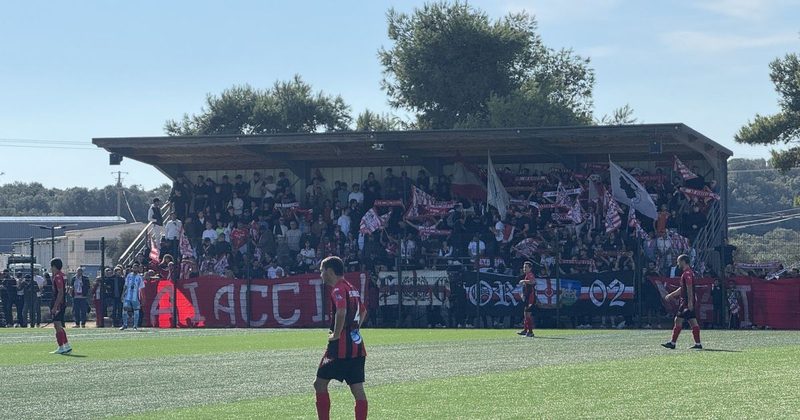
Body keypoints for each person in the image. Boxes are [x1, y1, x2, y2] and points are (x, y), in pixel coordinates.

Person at [314, 256, 368, 420]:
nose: (321, 275)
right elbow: (363, 311)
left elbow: (342, 311)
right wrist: (354, 329)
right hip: (357, 346)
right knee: (358, 390)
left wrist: (336, 334)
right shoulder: (352, 288)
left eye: (322, 271)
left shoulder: (338, 289)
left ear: (330, 271)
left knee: (319, 384)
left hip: (339, 348)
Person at [661, 254, 703, 350]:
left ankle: (673, 343)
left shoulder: (687, 273)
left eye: (678, 261)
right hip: (687, 301)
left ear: (683, 261)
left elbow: (689, 288)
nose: (678, 264)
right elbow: (682, 288)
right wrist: (671, 295)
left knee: (678, 320)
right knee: (692, 321)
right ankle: (698, 344)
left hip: (686, 301)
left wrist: (690, 302)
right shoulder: (687, 273)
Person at [49, 258, 72, 354]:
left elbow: (60, 292)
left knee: (57, 325)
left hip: (59, 303)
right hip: (62, 302)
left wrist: (55, 306)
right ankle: (66, 345)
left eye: (51, 266)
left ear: (54, 266)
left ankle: (61, 346)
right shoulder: (63, 275)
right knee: (59, 325)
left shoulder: (58, 276)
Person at [121, 264, 145, 331]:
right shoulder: (129, 276)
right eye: (133, 268)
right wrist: (122, 294)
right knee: (125, 309)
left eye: (136, 268)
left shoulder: (139, 277)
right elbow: (125, 285)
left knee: (136, 310)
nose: (134, 269)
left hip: (135, 296)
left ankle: (135, 326)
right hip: (127, 296)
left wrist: (142, 297)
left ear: (138, 269)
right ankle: (125, 324)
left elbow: (141, 288)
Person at [517, 261, 537, 338]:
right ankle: (525, 330)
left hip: (530, 298)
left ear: (530, 268)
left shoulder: (530, 274)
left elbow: (533, 281)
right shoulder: (527, 275)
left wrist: (523, 281)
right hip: (527, 297)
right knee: (525, 314)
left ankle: (530, 332)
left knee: (527, 315)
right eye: (524, 267)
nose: (524, 268)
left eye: (526, 267)